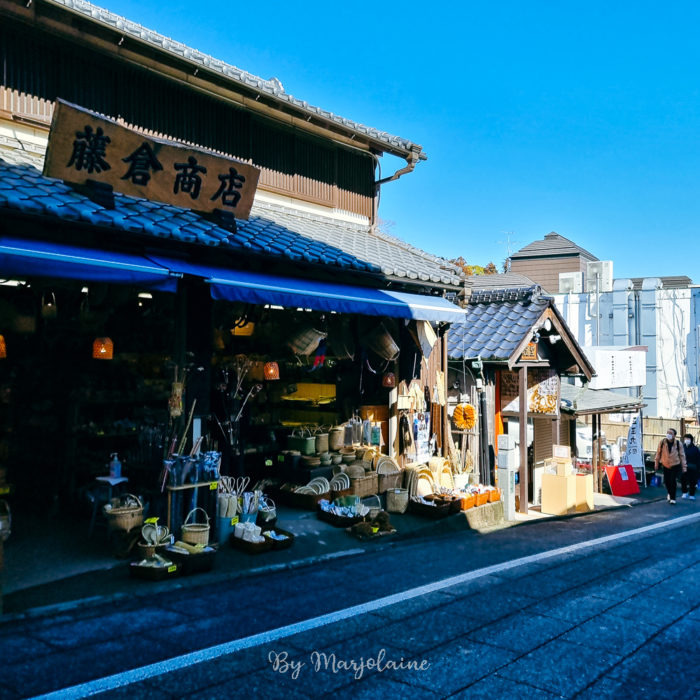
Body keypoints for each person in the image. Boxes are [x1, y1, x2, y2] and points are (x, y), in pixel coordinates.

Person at [654, 428, 687, 504]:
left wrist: (684, 467)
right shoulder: (662, 442)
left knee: (673, 481)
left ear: (674, 435)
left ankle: (673, 498)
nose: (668, 434)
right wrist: (656, 463)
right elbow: (658, 453)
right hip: (665, 464)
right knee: (666, 481)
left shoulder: (678, 444)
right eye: (667, 433)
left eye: (670, 433)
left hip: (675, 465)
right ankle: (669, 493)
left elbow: (682, 456)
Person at [681, 434, 700, 500]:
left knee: (692, 481)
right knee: (683, 480)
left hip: (692, 467)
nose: (686, 440)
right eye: (685, 439)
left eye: (688, 439)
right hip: (683, 466)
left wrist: (698, 468)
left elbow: (698, 459)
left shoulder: (695, 449)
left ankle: (692, 494)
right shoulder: (682, 447)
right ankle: (684, 492)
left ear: (691, 440)